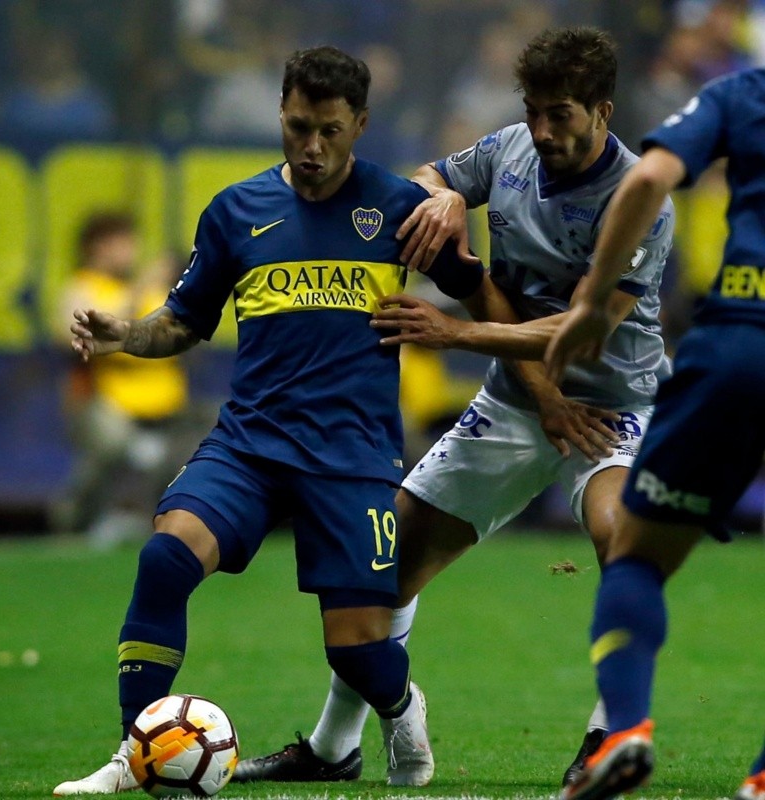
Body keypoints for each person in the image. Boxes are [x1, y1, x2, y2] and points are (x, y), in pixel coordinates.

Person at [51, 44, 506, 796]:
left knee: (358, 654)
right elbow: (184, 322)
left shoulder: (399, 208)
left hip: (351, 455)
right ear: (282, 116)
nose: (312, 147)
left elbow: (479, 291)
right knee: (164, 559)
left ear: (359, 123)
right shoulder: (236, 210)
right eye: (298, 127)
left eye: (330, 130)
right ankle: (135, 752)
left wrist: (524, 366)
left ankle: (401, 706)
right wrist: (127, 336)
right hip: (250, 445)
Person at [231, 26, 675, 789]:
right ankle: (335, 748)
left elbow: (585, 329)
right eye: (533, 110)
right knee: (382, 566)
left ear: (602, 111)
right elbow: (428, 176)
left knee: (617, 538)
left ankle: (609, 735)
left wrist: (458, 331)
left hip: (612, 406)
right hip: (515, 400)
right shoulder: (507, 151)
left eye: (560, 114)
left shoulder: (640, 201)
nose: (542, 131)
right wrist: (437, 199)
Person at [543, 68, 765, 800]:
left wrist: (593, 301)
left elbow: (647, 182)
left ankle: (627, 729)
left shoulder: (744, 93)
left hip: (741, 343)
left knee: (636, 555)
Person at [52, 212, 192, 546]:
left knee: (210, 433)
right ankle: (80, 517)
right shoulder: (83, 287)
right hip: (107, 405)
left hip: (167, 406)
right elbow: (84, 332)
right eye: (118, 241)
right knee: (116, 445)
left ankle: (150, 519)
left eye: (130, 240)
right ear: (94, 248)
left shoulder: (152, 290)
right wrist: (143, 287)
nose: (129, 249)